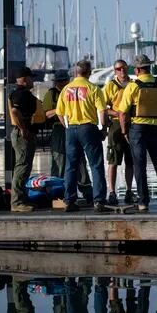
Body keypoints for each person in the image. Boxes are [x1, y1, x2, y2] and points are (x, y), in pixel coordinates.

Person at [118, 54, 157, 212]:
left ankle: (143, 202)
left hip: (138, 129)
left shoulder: (133, 86)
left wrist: (124, 131)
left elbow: (122, 113)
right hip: (155, 129)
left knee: (139, 165)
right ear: (149, 67)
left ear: (137, 69)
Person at [55, 60, 109, 213]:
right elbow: (102, 112)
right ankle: (99, 201)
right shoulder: (93, 88)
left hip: (71, 128)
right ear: (89, 72)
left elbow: (59, 112)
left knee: (70, 167)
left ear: (75, 73)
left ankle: (70, 201)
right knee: (96, 165)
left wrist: (67, 126)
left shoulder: (66, 89)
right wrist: (103, 129)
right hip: (88, 128)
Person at [43, 70, 94, 203]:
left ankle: (86, 190)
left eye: (64, 80)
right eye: (60, 81)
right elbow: (46, 113)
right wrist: (60, 108)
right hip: (59, 129)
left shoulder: (71, 91)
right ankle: (58, 192)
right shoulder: (51, 94)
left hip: (73, 126)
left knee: (80, 160)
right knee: (59, 161)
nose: (62, 83)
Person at [103, 59, 136, 206]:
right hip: (116, 124)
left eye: (123, 68)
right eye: (118, 69)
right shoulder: (110, 86)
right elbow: (103, 107)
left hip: (132, 123)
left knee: (131, 160)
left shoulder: (134, 84)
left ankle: (129, 191)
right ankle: (112, 192)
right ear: (114, 71)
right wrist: (117, 113)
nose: (121, 71)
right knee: (113, 160)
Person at [8, 67, 41, 212]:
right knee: (21, 167)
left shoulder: (23, 93)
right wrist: (23, 130)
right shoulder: (20, 94)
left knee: (25, 167)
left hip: (26, 133)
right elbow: (15, 111)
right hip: (23, 134)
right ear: (24, 79)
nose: (32, 80)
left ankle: (23, 198)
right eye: (31, 77)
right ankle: (16, 202)